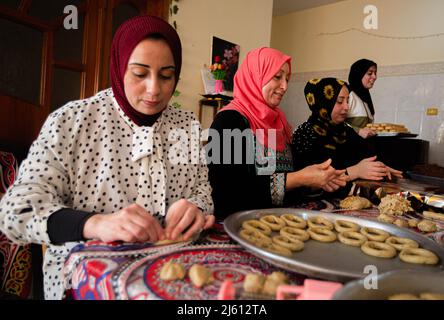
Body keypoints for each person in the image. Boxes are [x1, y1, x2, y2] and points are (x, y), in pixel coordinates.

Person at [0, 16, 214, 300]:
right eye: (139, 73)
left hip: (172, 275)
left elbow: (202, 191)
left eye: (166, 75)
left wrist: (194, 208)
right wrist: (96, 223)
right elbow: (16, 211)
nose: (154, 89)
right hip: (91, 284)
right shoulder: (72, 122)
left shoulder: (185, 126)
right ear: (119, 65)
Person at [206, 48, 347, 220]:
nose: (285, 86)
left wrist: (316, 180)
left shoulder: (279, 121)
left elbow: (289, 180)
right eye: (277, 77)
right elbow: (229, 194)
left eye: (287, 79)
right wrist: (299, 179)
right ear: (256, 76)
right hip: (239, 225)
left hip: (280, 221)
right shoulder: (229, 121)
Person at [292, 77, 402, 195]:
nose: (346, 107)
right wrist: (355, 171)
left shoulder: (346, 130)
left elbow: (367, 154)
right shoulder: (304, 133)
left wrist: (378, 168)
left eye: (347, 101)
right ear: (323, 103)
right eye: (340, 101)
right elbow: (307, 186)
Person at [346, 59, 378, 139]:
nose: (374, 77)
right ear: (358, 74)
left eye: (375, 73)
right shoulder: (348, 94)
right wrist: (358, 131)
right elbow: (334, 123)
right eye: (370, 73)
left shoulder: (366, 98)